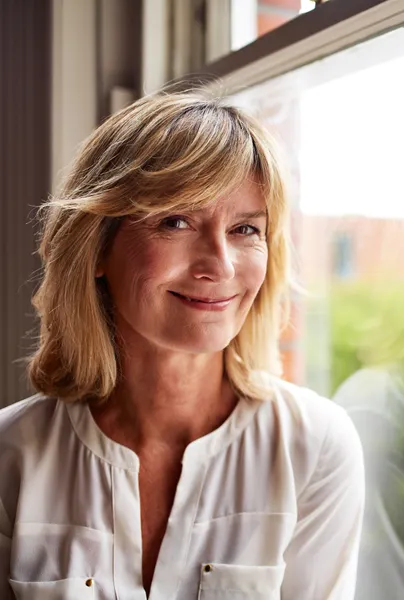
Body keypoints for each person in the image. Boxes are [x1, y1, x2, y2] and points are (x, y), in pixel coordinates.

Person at [0, 91, 365, 600]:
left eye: (245, 229)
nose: (220, 264)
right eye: (176, 221)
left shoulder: (315, 447)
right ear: (98, 246)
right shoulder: (10, 454)